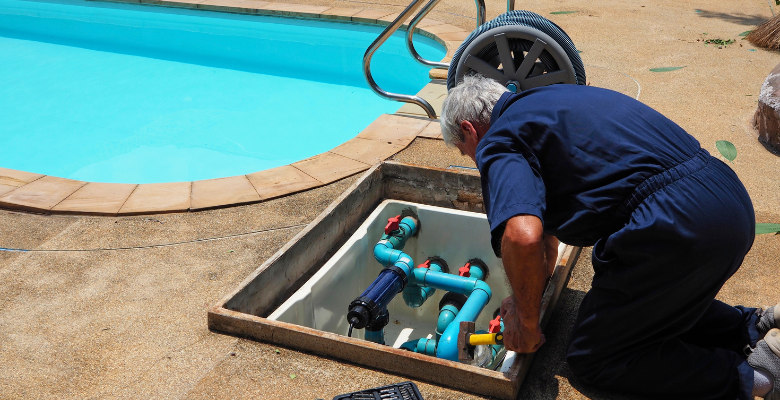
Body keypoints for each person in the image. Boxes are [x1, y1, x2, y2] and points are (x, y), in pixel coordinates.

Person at [440, 74, 779, 399]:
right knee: (626, 303)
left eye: (463, 149)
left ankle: (757, 377)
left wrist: (527, 324)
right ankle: (753, 326)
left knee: (594, 355)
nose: (471, 159)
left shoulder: (498, 139)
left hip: (680, 224)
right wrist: (526, 296)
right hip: (725, 199)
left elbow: (522, 237)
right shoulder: (548, 101)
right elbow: (546, 239)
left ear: (470, 129)